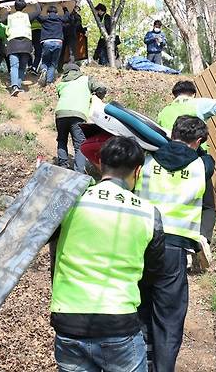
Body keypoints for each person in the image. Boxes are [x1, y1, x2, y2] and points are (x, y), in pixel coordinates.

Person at [50, 136, 165, 372]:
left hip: (68, 318)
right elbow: (153, 270)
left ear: (100, 163)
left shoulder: (71, 201)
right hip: (118, 320)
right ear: (138, 170)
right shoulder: (148, 214)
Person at [135, 116, 214, 372]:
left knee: (139, 307)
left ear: (173, 132)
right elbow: (207, 158)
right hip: (173, 251)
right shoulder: (202, 166)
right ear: (199, 141)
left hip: (139, 245)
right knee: (169, 319)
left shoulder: (146, 159)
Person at [157, 69, 216, 245]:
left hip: (169, 164)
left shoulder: (164, 112)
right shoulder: (198, 104)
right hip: (195, 161)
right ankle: (202, 239)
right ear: (193, 94)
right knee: (207, 206)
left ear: (174, 95)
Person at [55, 63, 107, 173]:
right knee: (79, 144)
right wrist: (97, 97)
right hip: (78, 115)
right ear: (78, 71)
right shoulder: (86, 79)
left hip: (60, 114)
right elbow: (101, 88)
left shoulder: (61, 83)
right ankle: (79, 172)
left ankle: (63, 166)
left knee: (62, 140)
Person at [6, 0, 42, 96]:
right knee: (22, 66)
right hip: (26, 44)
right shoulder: (27, 16)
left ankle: (14, 87)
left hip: (13, 43)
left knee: (14, 66)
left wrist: (8, 12)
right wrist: (35, 3)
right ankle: (19, 86)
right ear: (24, 7)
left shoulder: (10, 17)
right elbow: (38, 11)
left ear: (15, 6)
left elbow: (1, 20)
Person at [37, 5, 70, 87]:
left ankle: (44, 70)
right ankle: (49, 82)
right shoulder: (60, 19)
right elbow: (67, 17)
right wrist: (64, 7)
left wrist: (40, 6)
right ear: (57, 13)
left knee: (45, 61)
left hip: (47, 42)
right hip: (58, 42)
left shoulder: (44, 19)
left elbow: (37, 15)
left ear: (48, 13)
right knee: (53, 63)